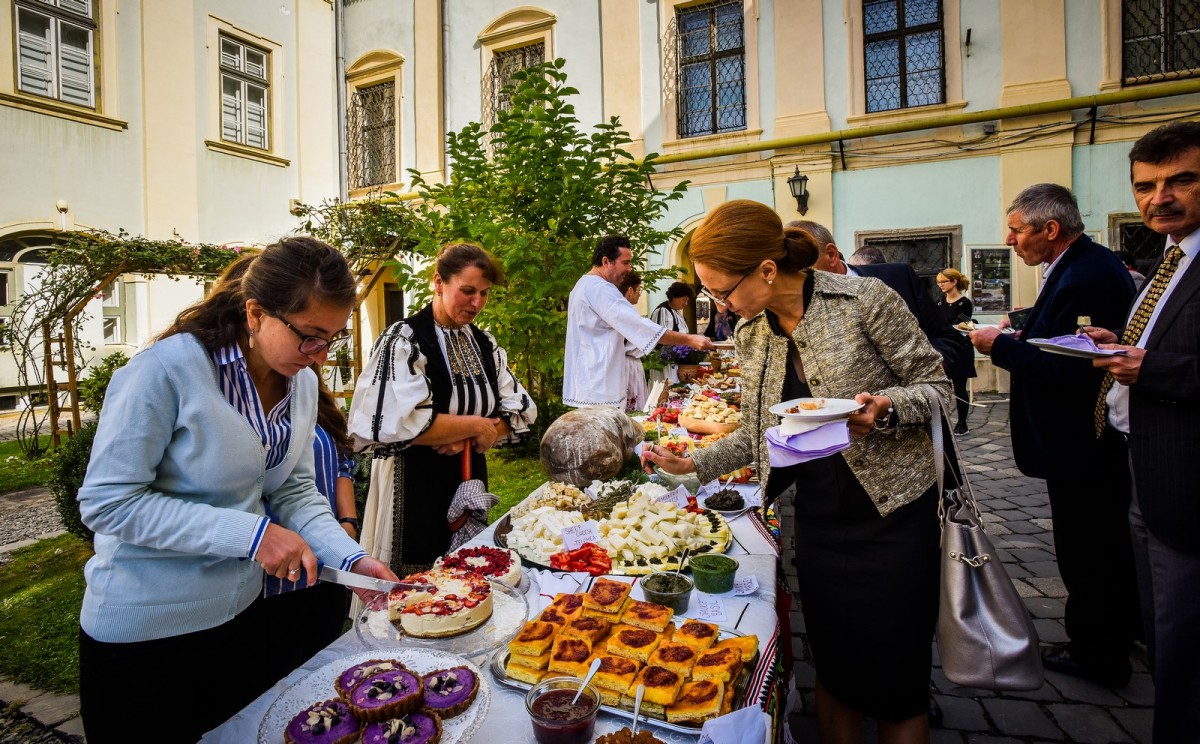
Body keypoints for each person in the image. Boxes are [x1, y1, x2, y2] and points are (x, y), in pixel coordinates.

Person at [644, 200, 950, 743]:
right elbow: (755, 431)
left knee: (897, 679)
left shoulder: (865, 301)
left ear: (766, 270)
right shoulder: (752, 333)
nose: (719, 304)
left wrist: (883, 408)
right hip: (820, 519)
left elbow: (939, 391)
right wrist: (691, 463)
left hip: (893, 516)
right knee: (834, 667)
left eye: (723, 291)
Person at [76, 237, 398, 744]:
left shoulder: (302, 384)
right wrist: (253, 535)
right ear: (255, 313)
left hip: (242, 621)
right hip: (146, 635)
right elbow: (108, 502)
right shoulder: (164, 372)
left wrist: (351, 558)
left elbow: (293, 489)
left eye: (333, 339)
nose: (320, 355)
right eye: (310, 336)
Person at [969, 183, 1139, 687]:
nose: (1010, 239)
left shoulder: (1083, 274)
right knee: (1100, 544)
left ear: (1050, 229)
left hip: (1080, 441)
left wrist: (999, 346)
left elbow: (1069, 371)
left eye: (1017, 230)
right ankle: (1114, 631)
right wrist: (1028, 334)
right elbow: (1065, 341)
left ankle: (1097, 651)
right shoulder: (1081, 264)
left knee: (1087, 547)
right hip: (1085, 439)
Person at [1086, 120, 1200, 740]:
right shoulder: (1171, 257)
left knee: (1186, 648)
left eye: (1181, 180)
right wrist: (1120, 342)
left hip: (1187, 482)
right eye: (1146, 186)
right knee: (1164, 639)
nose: (1161, 197)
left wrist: (1151, 366)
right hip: (1146, 472)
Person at [348, 243, 537, 576]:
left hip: (468, 476)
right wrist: (476, 426)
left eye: (484, 293)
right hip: (414, 485)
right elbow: (398, 423)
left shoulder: (483, 343)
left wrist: (483, 433)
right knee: (417, 580)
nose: (476, 302)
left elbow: (518, 409)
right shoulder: (405, 339)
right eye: (467, 291)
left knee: (465, 576)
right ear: (438, 282)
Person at [791, 220, 963, 379]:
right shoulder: (796, 307)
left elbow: (945, 337)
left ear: (831, 254)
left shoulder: (899, 278)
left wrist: (930, 367)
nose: (794, 278)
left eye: (803, 267)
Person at [562, 235, 713, 408]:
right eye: (625, 263)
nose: (629, 269)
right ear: (606, 261)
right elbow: (641, 327)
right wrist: (690, 339)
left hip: (589, 380)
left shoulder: (583, 285)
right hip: (600, 384)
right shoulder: (600, 289)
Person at [935, 268, 977, 434]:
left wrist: (944, 328)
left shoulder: (965, 303)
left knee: (959, 388)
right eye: (939, 282)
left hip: (960, 349)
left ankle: (962, 423)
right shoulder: (939, 302)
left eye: (943, 282)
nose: (940, 285)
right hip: (943, 349)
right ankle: (941, 422)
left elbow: (959, 325)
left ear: (954, 282)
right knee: (940, 387)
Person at [650, 281, 698, 384]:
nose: (686, 303)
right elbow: (661, 337)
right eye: (684, 300)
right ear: (673, 297)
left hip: (674, 362)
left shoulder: (677, 312)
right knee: (664, 390)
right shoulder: (663, 311)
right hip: (664, 364)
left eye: (687, 300)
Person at [618, 271, 649, 411]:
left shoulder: (619, 309)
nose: (639, 294)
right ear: (630, 291)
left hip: (625, 362)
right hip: (628, 364)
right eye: (638, 290)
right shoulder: (626, 311)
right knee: (632, 406)